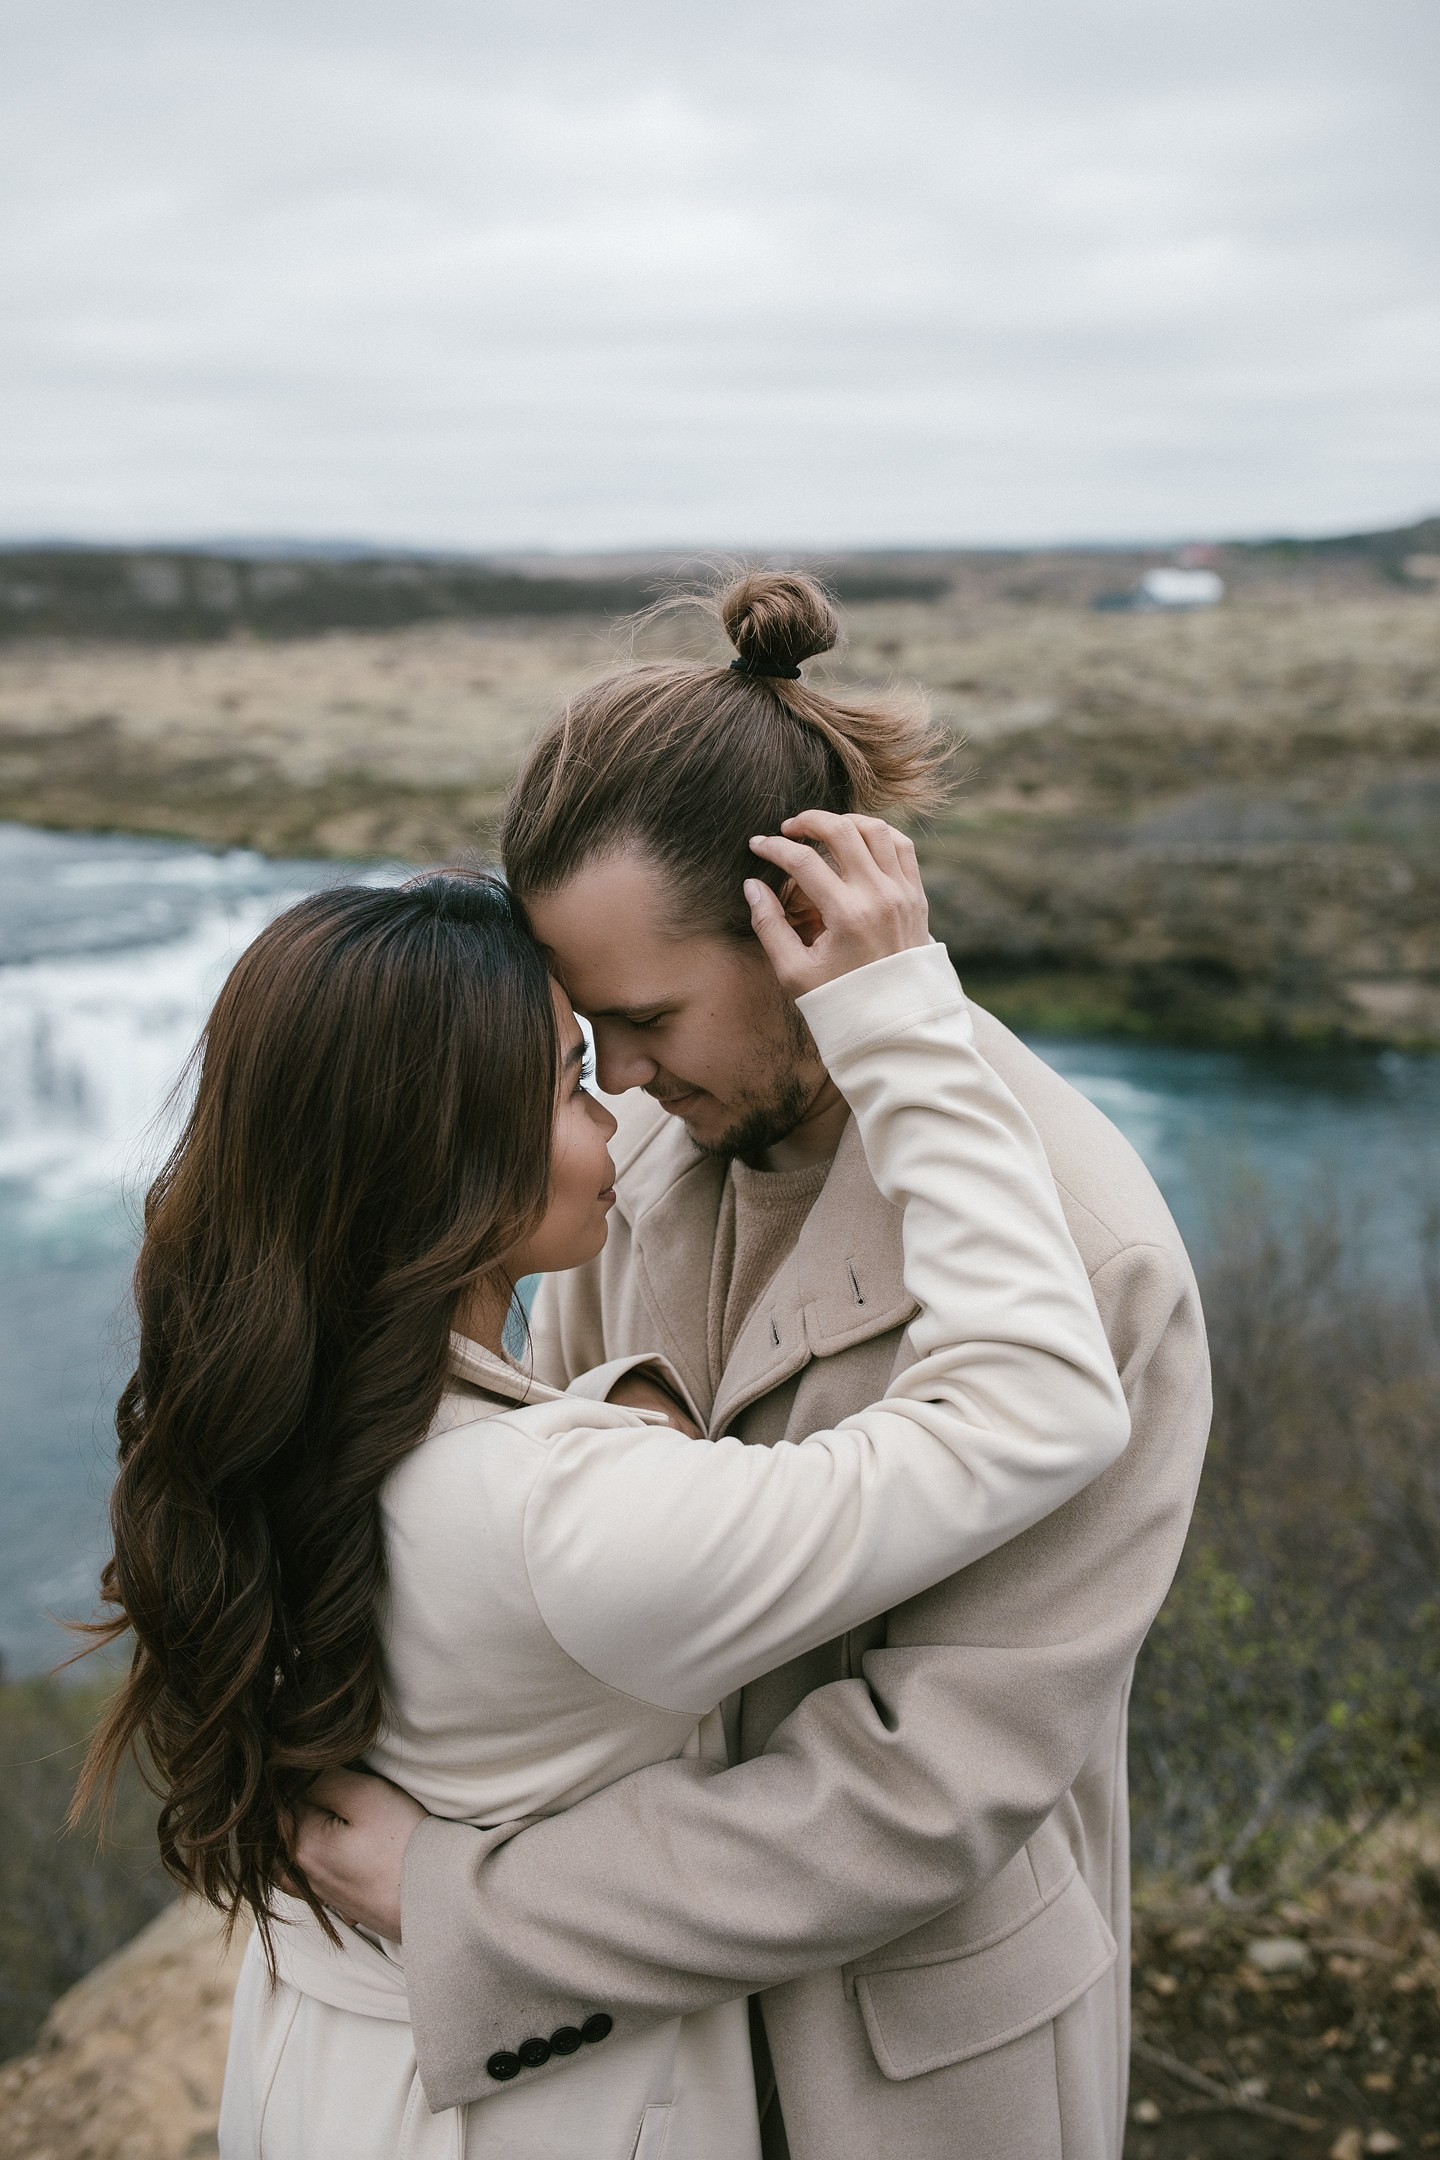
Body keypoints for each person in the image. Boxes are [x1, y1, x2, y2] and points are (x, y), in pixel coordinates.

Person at [294, 570, 1212, 2160]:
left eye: (644, 1018)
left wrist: (474, 1908)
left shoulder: (1087, 1250)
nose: (619, 1078)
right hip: (627, 2063)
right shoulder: (634, 1150)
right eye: (588, 1039)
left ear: (799, 937)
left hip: (906, 2063)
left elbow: (938, 1786)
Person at [75, 816, 1129, 2160]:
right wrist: (903, 1022)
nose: (620, 1113)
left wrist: (619, 1396)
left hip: (321, 2078)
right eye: (573, 1089)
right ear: (446, 1161)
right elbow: (1040, 1404)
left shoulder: (259, 1417)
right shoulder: (565, 1517)